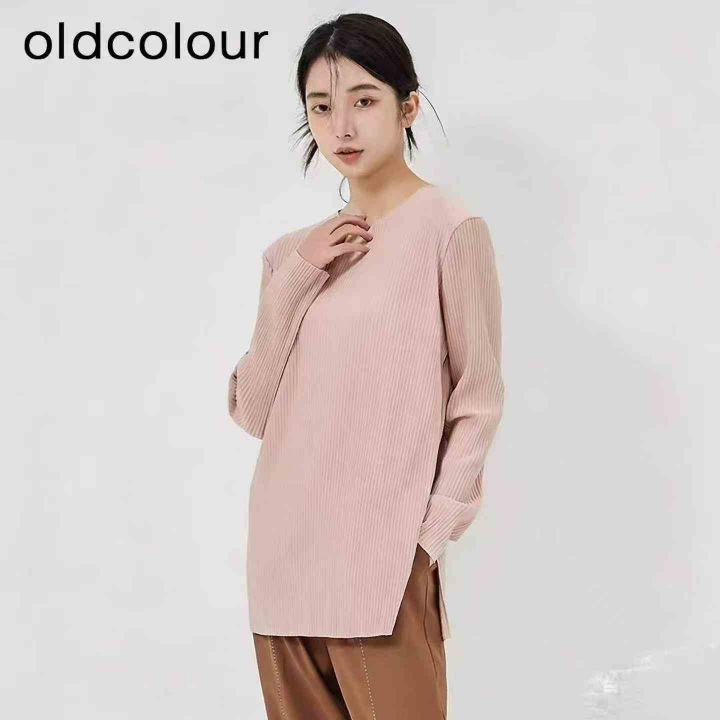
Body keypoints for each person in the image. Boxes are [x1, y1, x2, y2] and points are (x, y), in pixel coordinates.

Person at [227, 12, 505, 719]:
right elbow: (253, 410)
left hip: (385, 561)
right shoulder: (291, 254)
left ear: (407, 107)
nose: (342, 127)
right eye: (321, 107)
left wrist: (429, 537)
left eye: (364, 100)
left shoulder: (449, 229)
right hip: (284, 557)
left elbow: (477, 398)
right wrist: (299, 274)